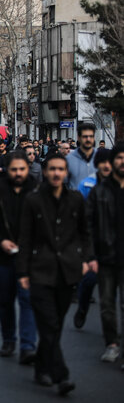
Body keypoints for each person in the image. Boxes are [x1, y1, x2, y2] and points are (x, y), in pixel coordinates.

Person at [17, 153, 92, 396]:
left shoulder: (76, 199)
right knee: (48, 323)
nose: (57, 173)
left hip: (67, 271)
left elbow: (85, 233)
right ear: (46, 172)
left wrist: (84, 259)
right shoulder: (34, 200)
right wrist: (23, 271)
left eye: (61, 169)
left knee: (56, 324)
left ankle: (41, 365)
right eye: (52, 169)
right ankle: (62, 375)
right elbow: (25, 238)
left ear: (66, 172)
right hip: (40, 270)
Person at [0, 151, 37, 363]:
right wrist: (0, 241)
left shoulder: (36, 189)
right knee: (5, 300)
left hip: (29, 256)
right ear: (7, 170)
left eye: (22, 169)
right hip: (2, 255)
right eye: (14, 169)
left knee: (27, 300)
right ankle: (8, 339)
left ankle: (28, 345)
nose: (18, 173)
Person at [86, 142, 124, 368]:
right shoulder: (98, 192)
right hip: (106, 257)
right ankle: (112, 344)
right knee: (107, 305)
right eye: (118, 158)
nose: (122, 162)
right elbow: (88, 226)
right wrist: (91, 256)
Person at [72, 147, 112, 330]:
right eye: (103, 162)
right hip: (93, 240)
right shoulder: (88, 185)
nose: (107, 166)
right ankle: (82, 307)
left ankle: (112, 336)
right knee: (89, 280)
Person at [67, 124, 96, 190]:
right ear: (78, 138)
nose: (88, 139)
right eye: (85, 136)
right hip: (75, 198)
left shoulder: (101, 158)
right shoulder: (69, 159)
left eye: (91, 136)